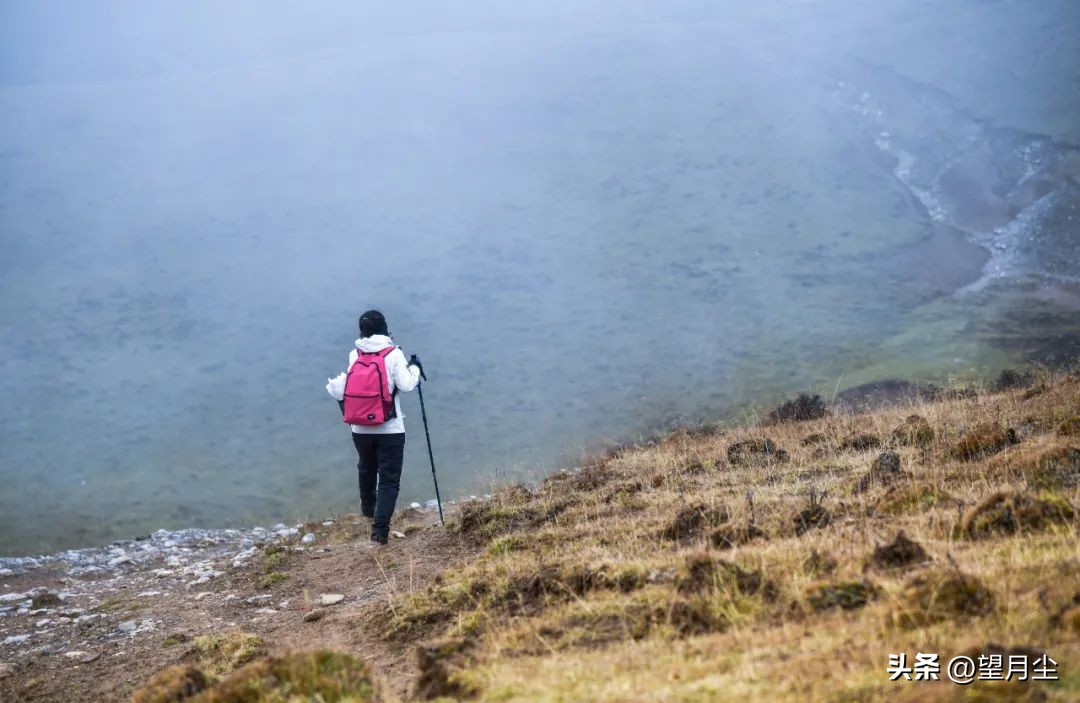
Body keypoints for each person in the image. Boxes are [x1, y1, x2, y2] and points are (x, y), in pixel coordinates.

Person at [326, 310, 423, 545]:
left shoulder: (354, 354)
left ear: (362, 331)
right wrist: (416, 369)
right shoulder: (394, 354)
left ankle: (369, 511)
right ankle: (379, 532)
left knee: (366, 467)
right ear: (385, 329)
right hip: (390, 428)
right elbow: (407, 385)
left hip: (359, 427)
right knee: (389, 479)